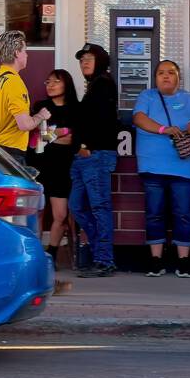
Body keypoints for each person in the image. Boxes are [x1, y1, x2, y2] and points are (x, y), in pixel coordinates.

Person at [132, 60, 190, 277]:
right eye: (161, 73)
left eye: (171, 73)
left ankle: (183, 260)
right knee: (154, 213)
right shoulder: (147, 97)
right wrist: (163, 129)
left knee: (183, 213)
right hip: (152, 164)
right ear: (155, 78)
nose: (165, 76)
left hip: (183, 166)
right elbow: (138, 118)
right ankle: (155, 259)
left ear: (178, 77)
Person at [69, 42, 119, 277]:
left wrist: (86, 145)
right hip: (84, 156)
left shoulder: (103, 84)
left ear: (100, 61)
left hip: (96, 155)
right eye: (81, 59)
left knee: (99, 207)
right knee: (77, 206)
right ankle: (100, 249)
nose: (84, 62)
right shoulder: (93, 86)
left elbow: (101, 120)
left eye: (89, 58)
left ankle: (104, 259)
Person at [30, 69, 78, 268]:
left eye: (55, 81)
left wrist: (52, 133)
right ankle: (37, 257)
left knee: (60, 215)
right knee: (37, 212)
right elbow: (37, 141)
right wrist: (62, 132)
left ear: (66, 84)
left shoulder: (75, 109)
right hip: (39, 165)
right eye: (47, 81)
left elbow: (73, 141)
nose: (50, 85)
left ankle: (52, 252)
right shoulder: (41, 107)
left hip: (63, 168)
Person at [0, 31, 41, 170]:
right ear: (17, 53)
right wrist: (41, 116)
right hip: (11, 153)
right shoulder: (14, 82)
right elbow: (24, 124)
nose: (27, 55)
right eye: (25, 51)